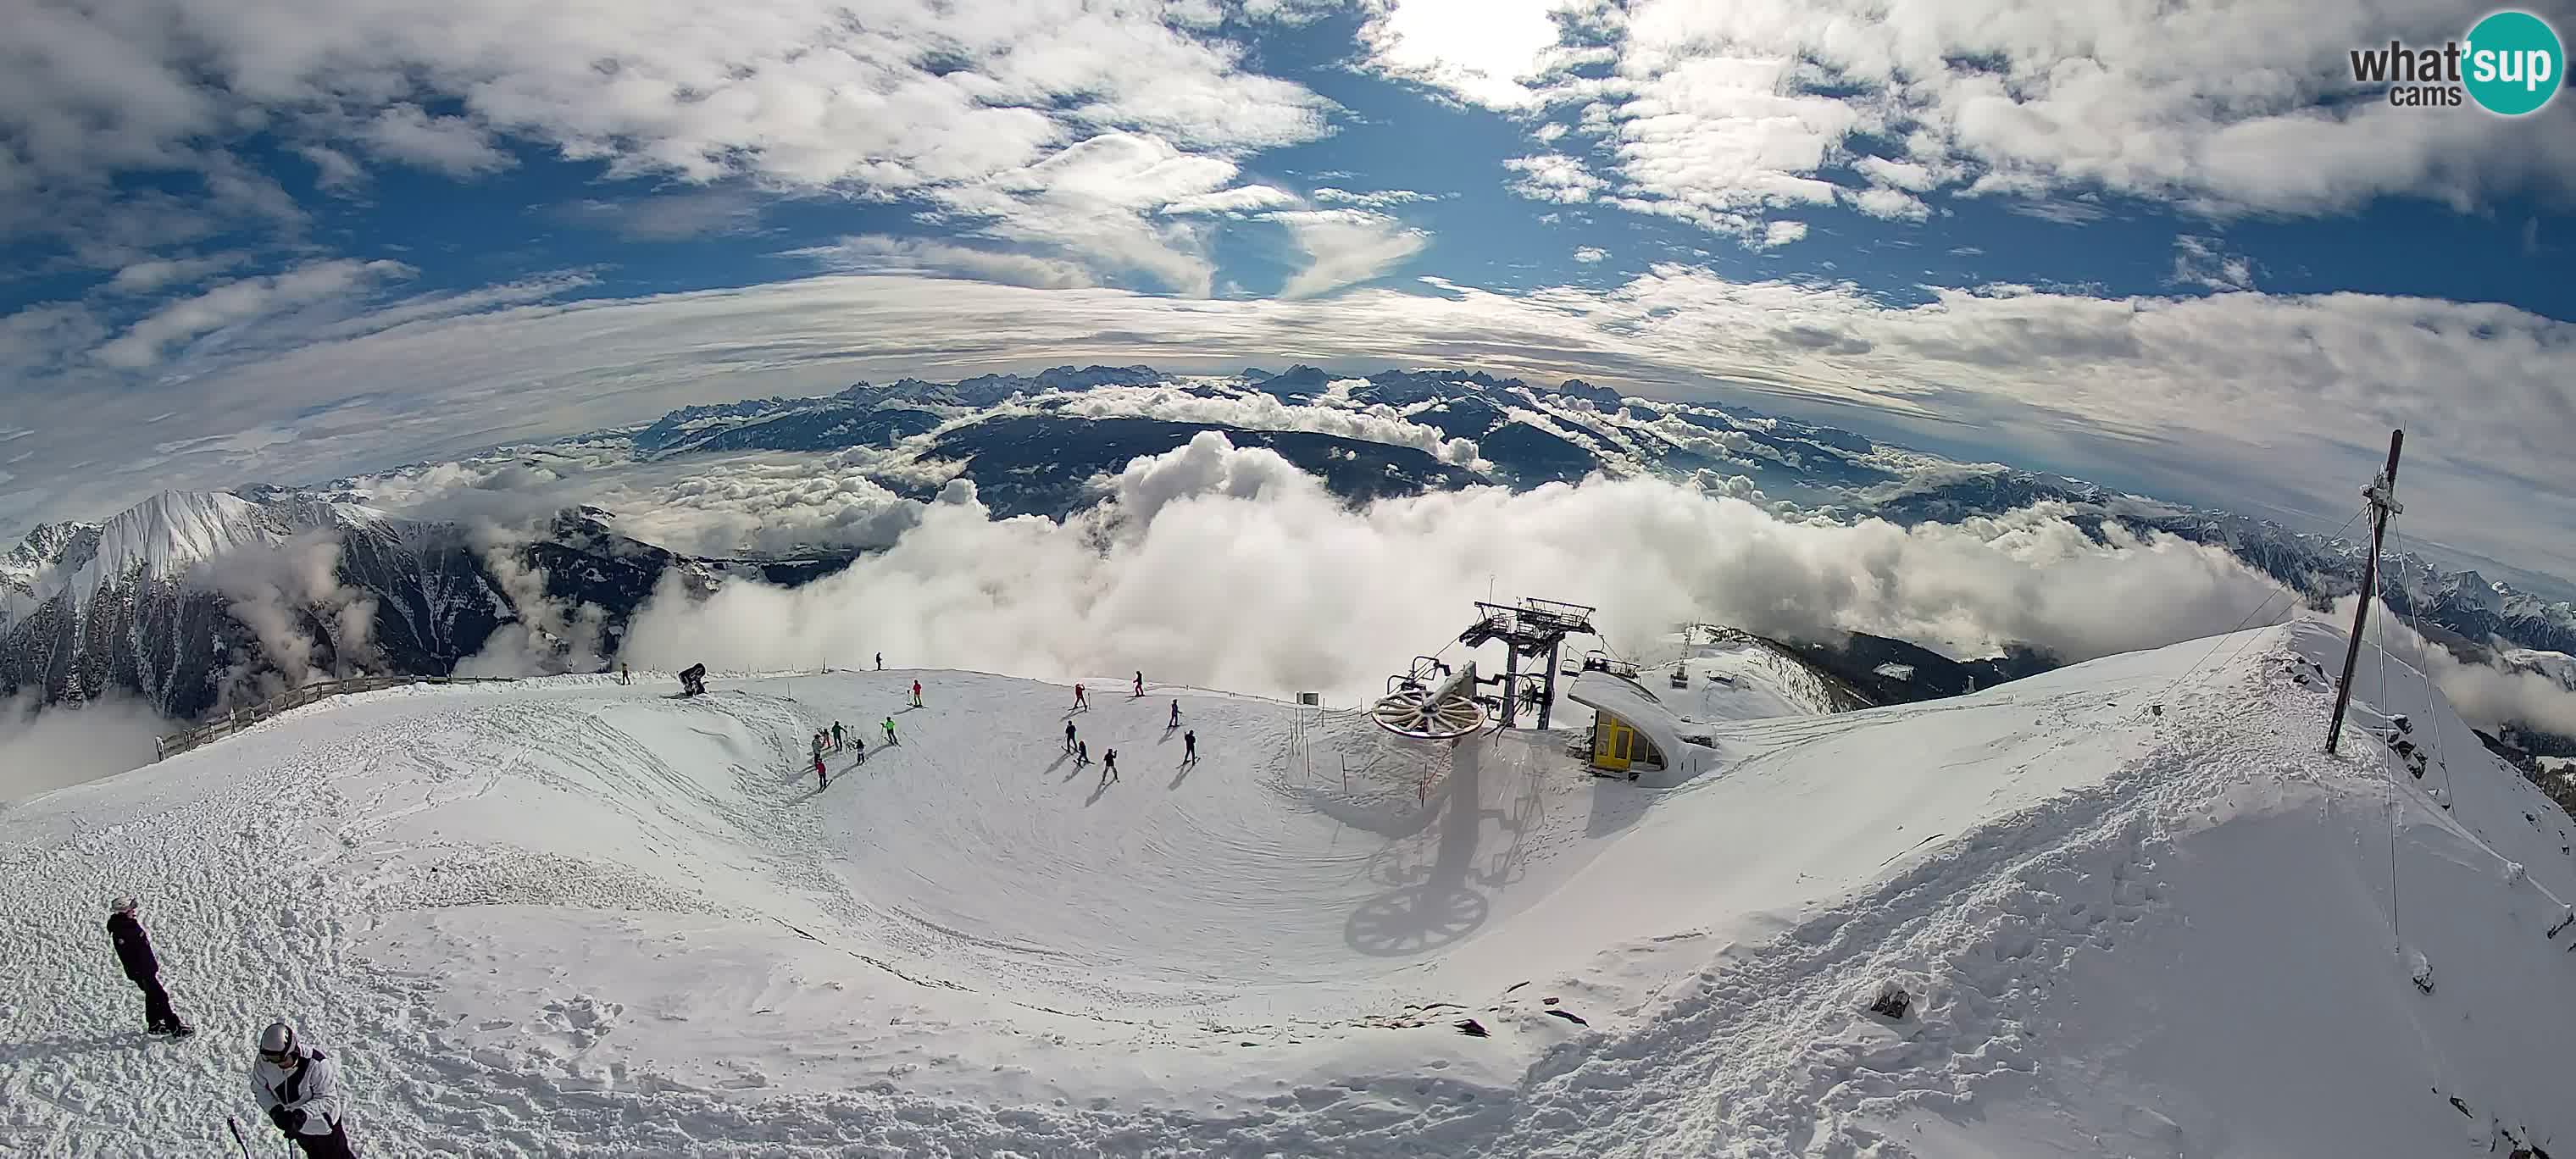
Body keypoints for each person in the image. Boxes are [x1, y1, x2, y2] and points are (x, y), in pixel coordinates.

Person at [252, 1022, 356, 1158]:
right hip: (298, 1128)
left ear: (292, 1051)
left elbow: (328, 1098)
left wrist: (302, 1114)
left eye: (279, 1058)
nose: (274, 1063)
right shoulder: (264, 1062)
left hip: (323, 1126)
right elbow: (259, 1089)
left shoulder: (316, 1064)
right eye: (269, 1058)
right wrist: (276, 1111)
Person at [105, 897, 189, 1037]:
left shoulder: (128, 925)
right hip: (142, 972)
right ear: (123, 912)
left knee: (152, 996)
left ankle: (154, 1025)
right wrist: (141, 973)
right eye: (131, 909)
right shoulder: (122, 930)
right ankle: (175, 1028)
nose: (133, 911)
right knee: (161, 997)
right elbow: (129, 956)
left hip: (146, 969)